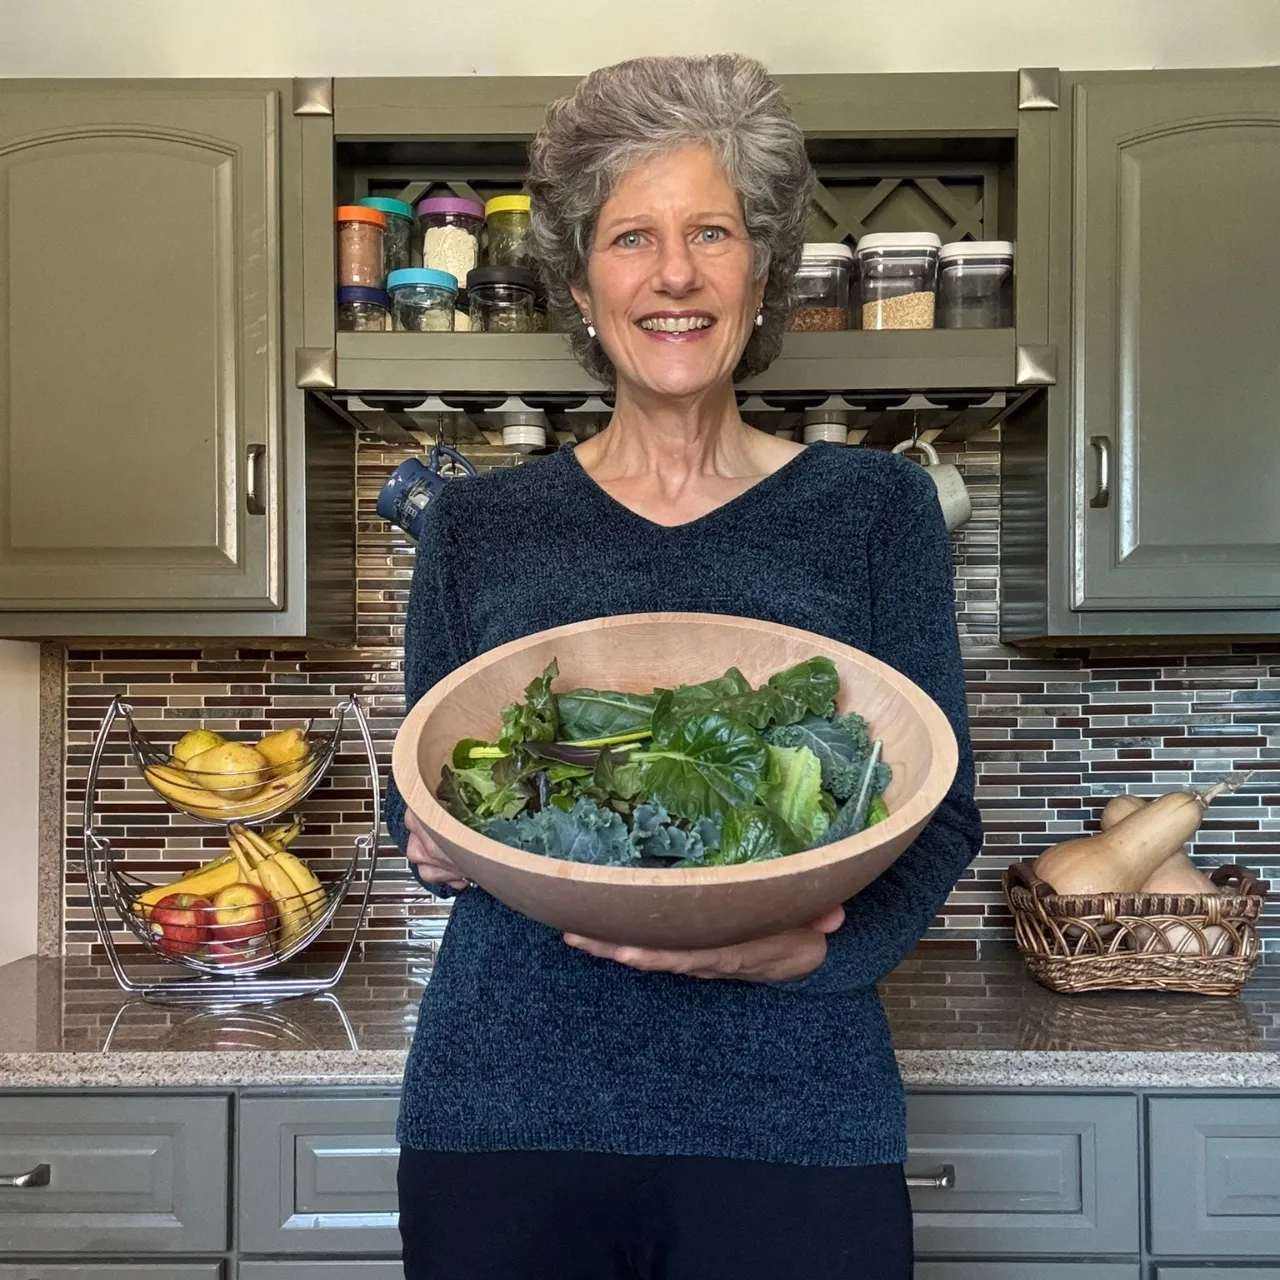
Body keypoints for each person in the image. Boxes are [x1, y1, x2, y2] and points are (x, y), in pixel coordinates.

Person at [386, 53, 983, 1280]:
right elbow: (438, 786)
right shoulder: (477, 527)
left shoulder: (875, 510)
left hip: (794, 1113)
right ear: (577, 277)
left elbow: (940, 810)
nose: (673, 274)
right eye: (631, 237)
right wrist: (430, 836)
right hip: (508, 1111)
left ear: (759, 271)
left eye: (710, 231)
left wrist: (818, 950)